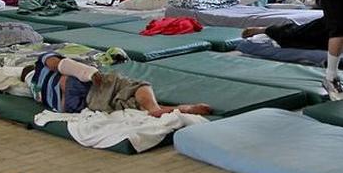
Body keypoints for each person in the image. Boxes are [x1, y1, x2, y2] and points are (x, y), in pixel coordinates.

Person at [23, 52, 212, 118]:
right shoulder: (41, 65)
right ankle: (154, 108)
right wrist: (88, 72)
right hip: (74, 86)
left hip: (72, 107)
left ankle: (169, 110)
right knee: (134, 86)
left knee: (123, 104)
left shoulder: (35, 92)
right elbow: (59, 64)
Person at [242, 16, 343, 60]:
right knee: (294, 34)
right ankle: (263, 30)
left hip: (337, 37)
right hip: (337, 26)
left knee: (296, 38)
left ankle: (267, 30)